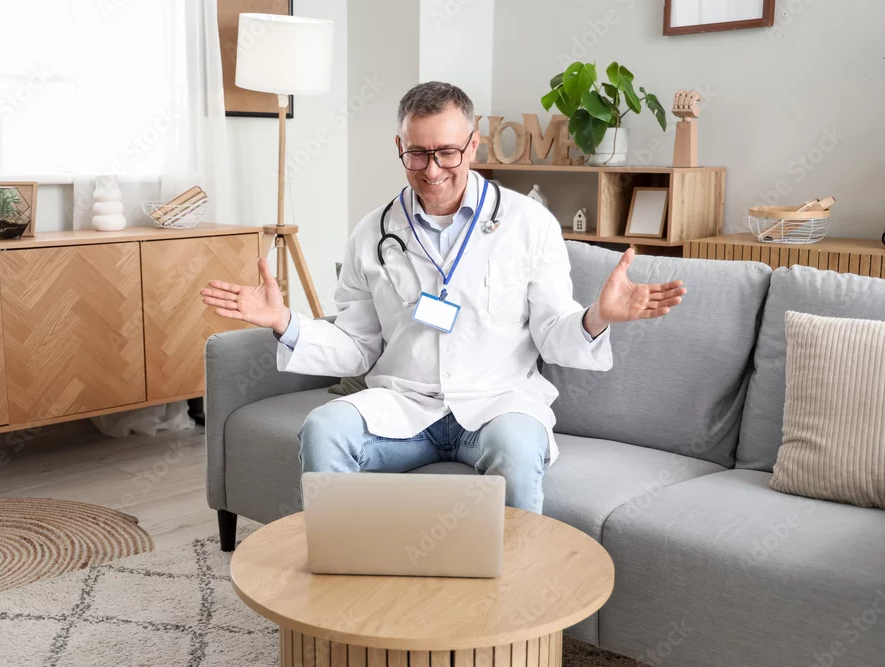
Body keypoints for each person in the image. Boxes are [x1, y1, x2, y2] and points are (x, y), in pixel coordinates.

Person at [200, 82, 685, 513]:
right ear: (400, 147)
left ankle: (515, 585)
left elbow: (553, 333)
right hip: (403, 404)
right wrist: (286, 322)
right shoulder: (371, 232)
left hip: (498, 404)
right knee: (323, 427)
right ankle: (339, 573)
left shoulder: (529, 223)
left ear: (473, 145)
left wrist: (598, 316)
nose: (432, 170)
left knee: (517, 447)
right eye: (418, 153)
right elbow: (357, 346)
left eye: (448, 152)